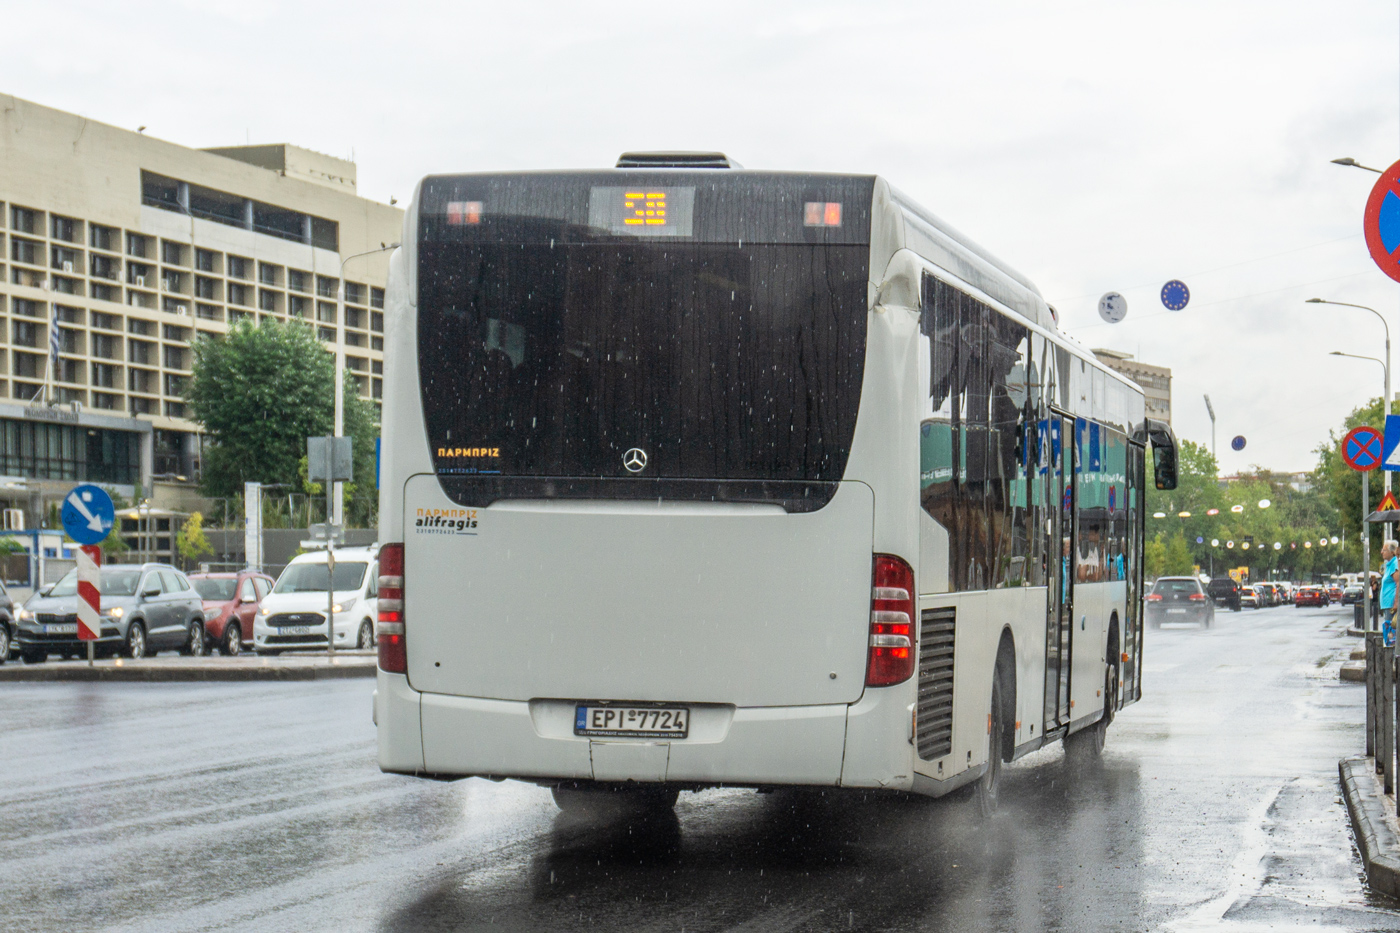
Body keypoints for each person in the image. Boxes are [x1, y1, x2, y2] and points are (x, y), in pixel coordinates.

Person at [1382, 540, 1400, 648]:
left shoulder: (1394, 564)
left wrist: (1396, 603)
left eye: (1384, 550)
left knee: (1391, 632)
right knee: (1389, 631)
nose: (1381, 552)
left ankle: (1393, 656)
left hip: (1391, 605)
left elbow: (1398, 583)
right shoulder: (1389, 565)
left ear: (1392, 552)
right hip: (1387, 604)